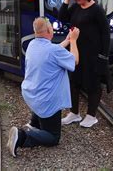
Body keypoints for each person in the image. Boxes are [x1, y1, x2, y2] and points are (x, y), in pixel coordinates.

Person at [7, 17, 80, 157]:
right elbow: (74, 60)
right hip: (47, 100)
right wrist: (73, 41)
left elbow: (53, 51)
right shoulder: (53, 51)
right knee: (53, 137)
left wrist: (66, 40)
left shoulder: (32, 45)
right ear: (48, 30)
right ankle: (22, 137)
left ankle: (34, 124)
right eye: (51, 28)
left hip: (31, 94)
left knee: (41, 104)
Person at [58, 0, 112, 128]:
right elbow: (62, 18)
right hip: (76, 52)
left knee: (93, 84)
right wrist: (67, 0)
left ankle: (91, 116)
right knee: (73, 82)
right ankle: (74, 113)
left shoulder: (97, 10)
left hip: (93, 55)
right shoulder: (75, 7)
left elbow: (106, 34)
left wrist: (104, 56)